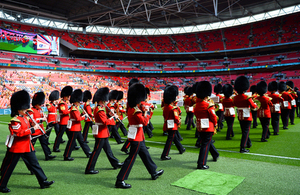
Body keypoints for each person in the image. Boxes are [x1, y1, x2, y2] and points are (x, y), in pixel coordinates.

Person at [0, 90, 54, 193]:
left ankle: (43, 181)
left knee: (35, 164)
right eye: (24, 108)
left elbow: (30, 125)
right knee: (9, 168)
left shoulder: (25, 117)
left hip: (27, 146)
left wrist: (35, 125)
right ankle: (1, 185)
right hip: (17, 147)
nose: (26, 110)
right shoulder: (15, 120)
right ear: (19, 108)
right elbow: (19, 133)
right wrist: (32, 129)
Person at [116, 83, 163, 189]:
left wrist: (145, 109)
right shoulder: (136, 111)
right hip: (136, 137)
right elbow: (145, 122)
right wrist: (147, 111)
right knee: (131, 159)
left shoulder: (131, 108)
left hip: (138, 136)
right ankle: (120, 179)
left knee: (145, 155)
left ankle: (153, 172)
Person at [85, 87, 123, 174]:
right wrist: (113, 117)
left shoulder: (99, 108)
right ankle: (89, 168)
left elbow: (105, 118)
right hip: (101, 133)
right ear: (102, 99)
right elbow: (105, 122)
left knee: (108, 151)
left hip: (103, 133)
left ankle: (115, 163)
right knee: (96, 152)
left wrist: (109, 115)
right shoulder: (99, 109)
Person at [194, 81, 219, 169]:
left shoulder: (196, 105)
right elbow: (213, 116)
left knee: (207, 142)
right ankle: (201, 163)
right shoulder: (208, 105)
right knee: (205, 144)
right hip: (208, 127)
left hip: (200, 126)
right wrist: (216, 124)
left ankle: (215, 154)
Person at [27, 92, 56, 161]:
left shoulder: (40, 110)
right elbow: (31, 121)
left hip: (40, 130)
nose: (41, 105)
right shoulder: (31, 111)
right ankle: (26, 155)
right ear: (36, 104)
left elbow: (41, 117)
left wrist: (44, 117)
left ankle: (48, 155)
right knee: (31, 145)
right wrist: (41, 120)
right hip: (34, 131)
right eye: (39, 104)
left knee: (44, 143)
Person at [63, 89, 91, 161]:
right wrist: (84, 117)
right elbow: (77, 119)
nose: (79, 103)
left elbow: (78, 116)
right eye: (78, 101)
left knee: (82, 141)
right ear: (76, 101)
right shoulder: (73, 108)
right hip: (74, 128)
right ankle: (66, 155)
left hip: (77, 128)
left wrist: (82, 114)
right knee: (71, 142)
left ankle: (88, 152)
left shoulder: (75, 108)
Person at [233, 76, 257, 153]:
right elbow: (253, 107)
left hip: (240, 115)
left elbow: (235, 104)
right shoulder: (247, 97)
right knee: (246, 132)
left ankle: (248, 143)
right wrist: (255, 104)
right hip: (247, 116)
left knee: (244, 131)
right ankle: (242, 147)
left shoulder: (235, 97)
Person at [161, 85, 185, 160]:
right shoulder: (173, 108)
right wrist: (179, 121)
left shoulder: (165, 107)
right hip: (173, 125)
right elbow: (176, 118)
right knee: (170, 140)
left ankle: (181, 148)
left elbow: (164, 115)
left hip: (167, 124)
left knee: (173, 138)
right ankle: (164, 155)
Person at [53, 86, 74, 152]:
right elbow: (64, 112)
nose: (68, 98)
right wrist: (70, 109)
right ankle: (55, 147)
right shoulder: (62, 103)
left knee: (70, 134)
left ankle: (73, 145)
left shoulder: (64, 102)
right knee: (60, 135)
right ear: (65, 96)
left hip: (66, 121)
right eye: (68, 96)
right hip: (63, 121)